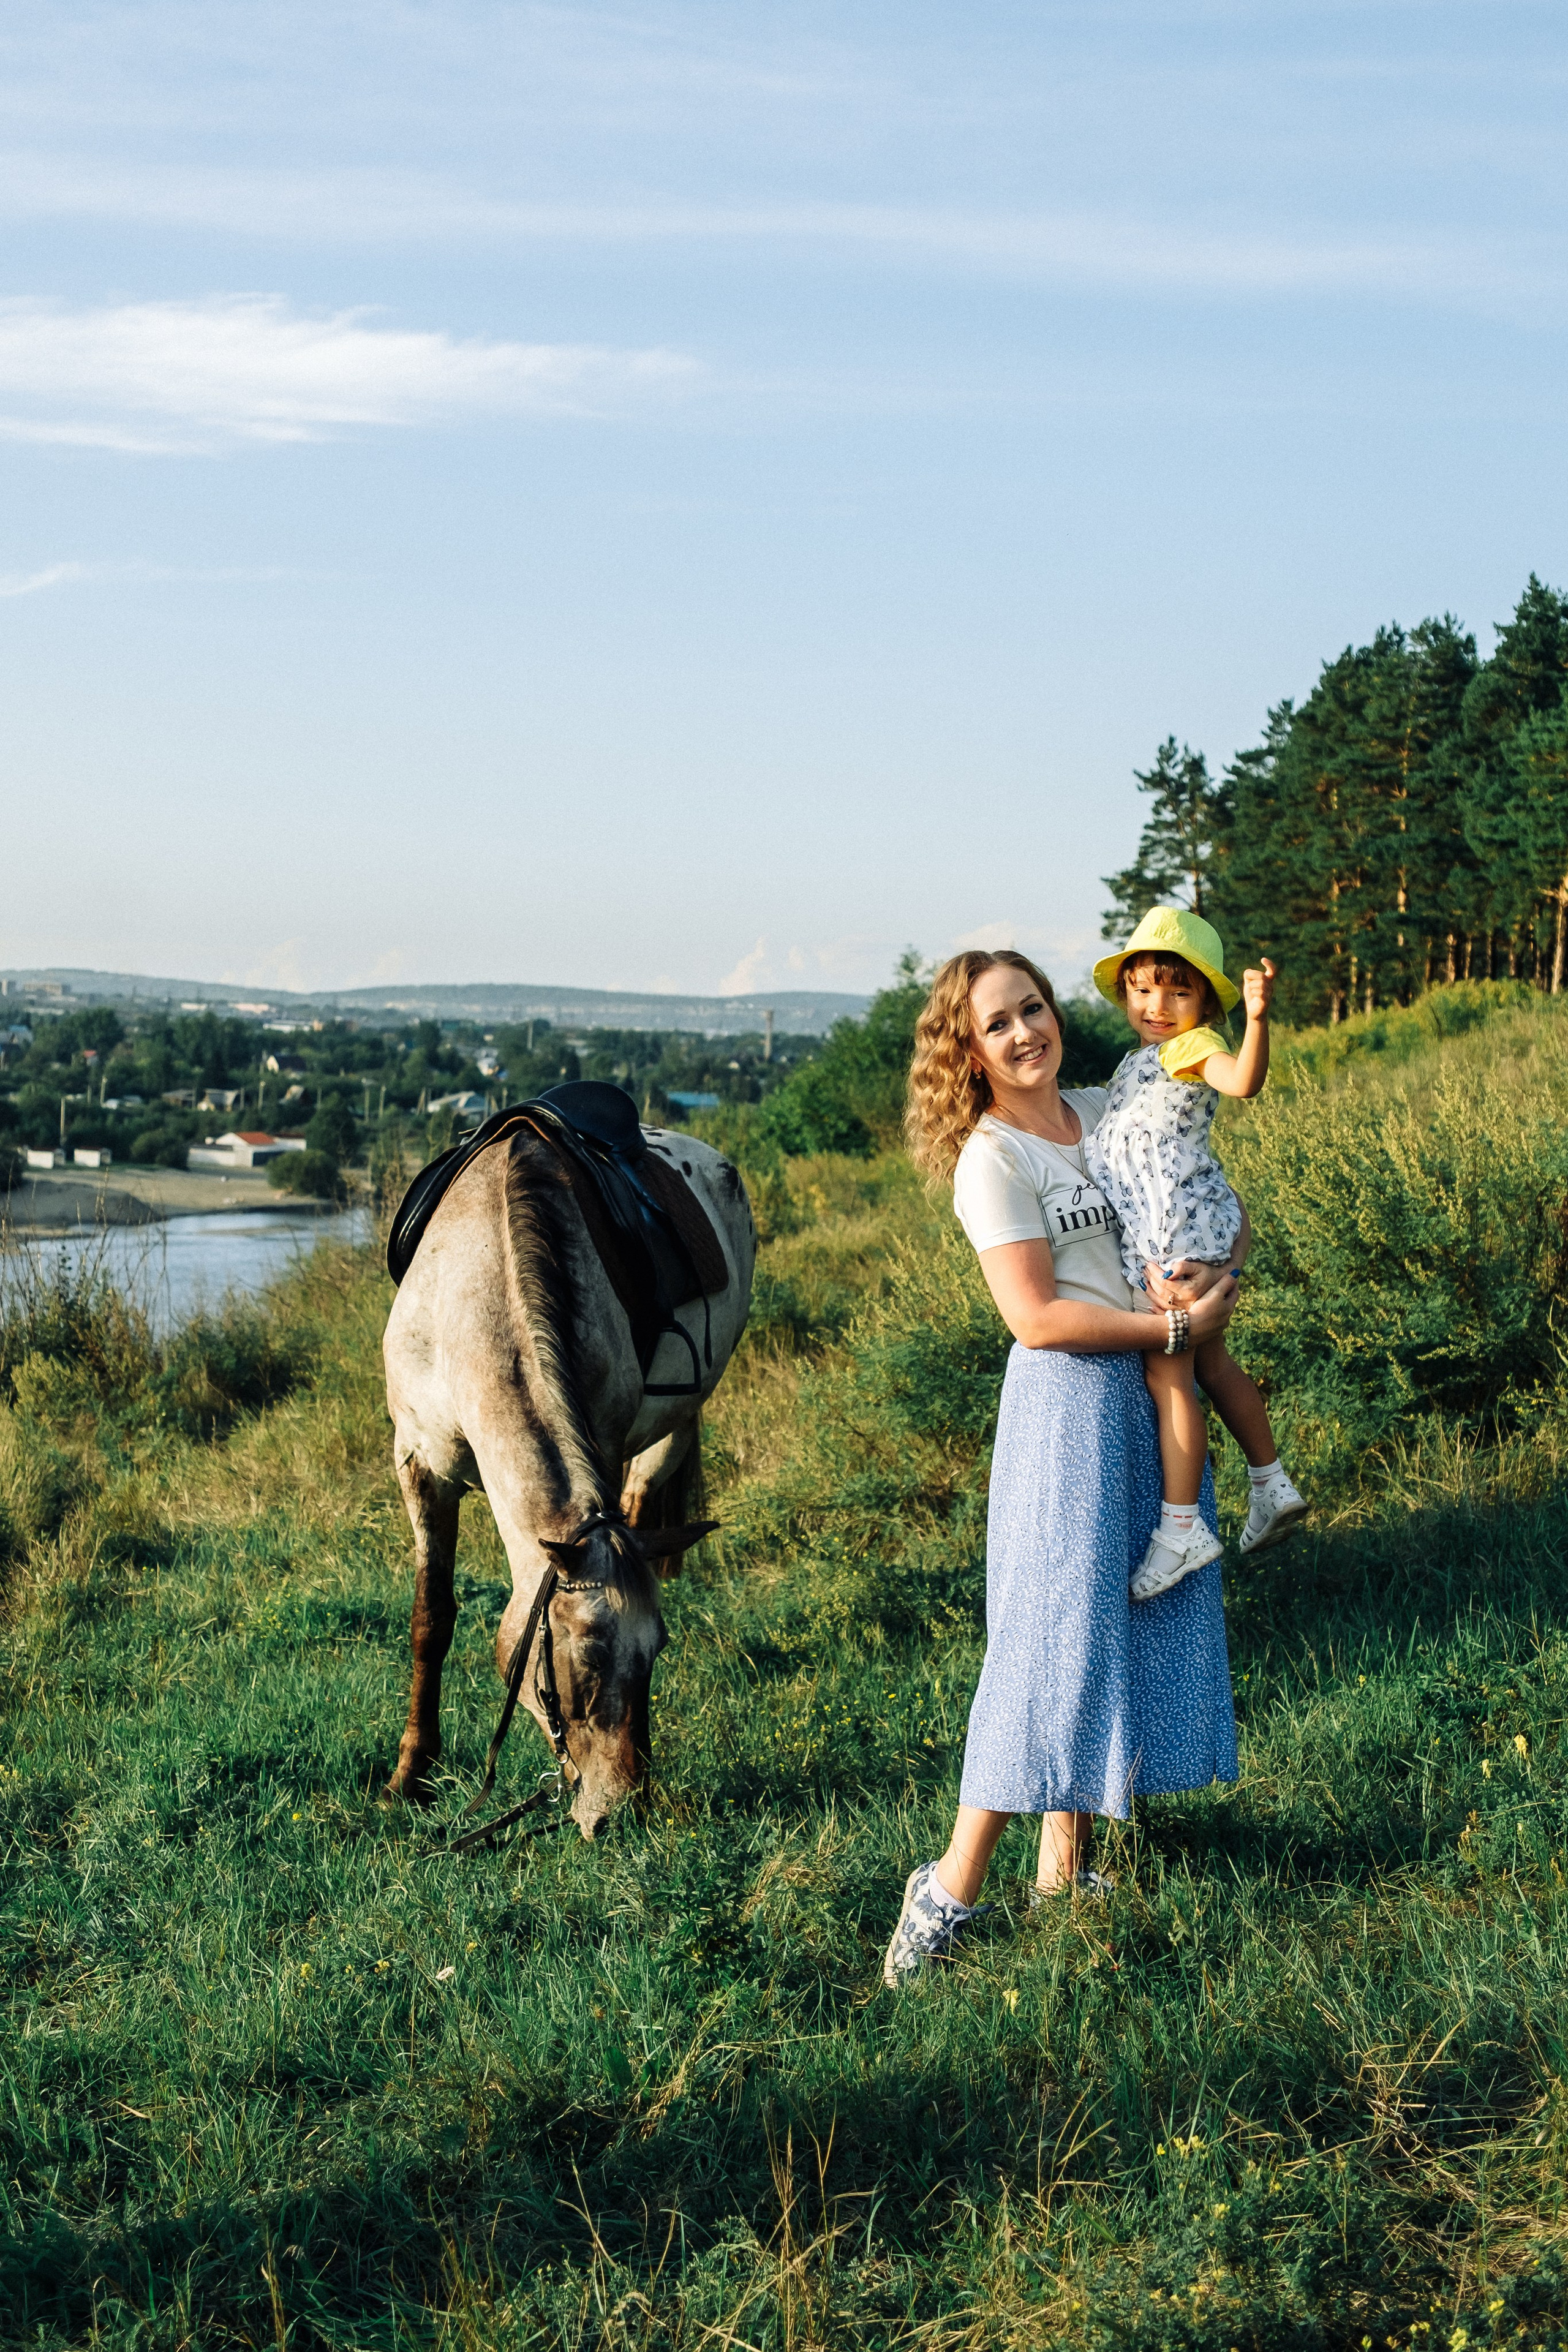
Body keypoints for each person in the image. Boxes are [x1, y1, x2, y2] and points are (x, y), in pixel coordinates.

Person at [883, 947, 1242, 1985]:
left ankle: (1064, 1872)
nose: (1023, 1032)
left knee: (1111, 1629)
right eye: (996, 1024)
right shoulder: (991, 1159)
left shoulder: (1102, 1108)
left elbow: (1198, 1194)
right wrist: (1175, 1329)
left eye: (1032, 1008)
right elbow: (1036, 1317)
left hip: (1144, 1396)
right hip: (1066, 1410)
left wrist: (1218, 1266)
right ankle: (946, 1893)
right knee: (1046, 1644)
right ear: (969, 1052)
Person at [1082, 908, 1307, 1604]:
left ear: (1205, 1004)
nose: (1158, 1006)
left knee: (1169, 1376)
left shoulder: (1192, 1048)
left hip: (1175, 1241)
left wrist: (1258, 1021)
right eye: (1144, 990)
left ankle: (1181, 1530)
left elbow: (1241, 1081)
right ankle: (1271, 1483)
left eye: (1178, 992)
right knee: (1211, 1364)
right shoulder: (1134, 1065)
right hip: (1185, 1227)